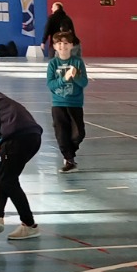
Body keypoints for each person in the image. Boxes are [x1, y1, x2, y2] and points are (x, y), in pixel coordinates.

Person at [0, 89, 43, 240]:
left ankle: (29, 224)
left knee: (6, 179)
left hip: (17, 136)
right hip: (31, 135)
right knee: (1, 174)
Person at [46, 28, 88, 172]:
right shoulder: (53, 64)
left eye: (65, 43)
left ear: (71, 45)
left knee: (79, 134)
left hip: (75, 103)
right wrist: (64, 78)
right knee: (61, 134)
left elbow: (84, 83)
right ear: (54, 46)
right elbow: (51, 85)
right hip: (58, 104)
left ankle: (70, 153)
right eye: (59, 43)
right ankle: (69, 160)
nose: (62, 46)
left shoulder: (77, 62)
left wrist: (75, 76)